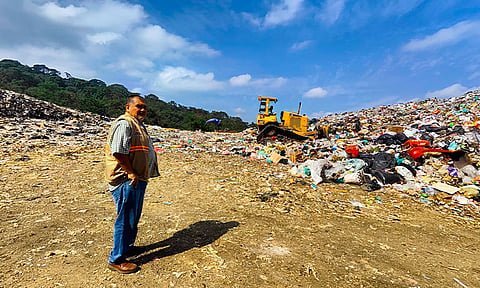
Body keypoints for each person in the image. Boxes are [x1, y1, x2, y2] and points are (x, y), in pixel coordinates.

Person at [105, 95, 159, 273]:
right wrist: (130, 172)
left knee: (132, 218)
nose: (142, 110)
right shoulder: (125, 123)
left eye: (144, 107)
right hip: (126, 179)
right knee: (125, 218)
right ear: (128, 107)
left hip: (137, 178)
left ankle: (127, 247)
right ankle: (117, 259)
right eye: (138, 106)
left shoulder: (138, 125)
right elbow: (118, 152)